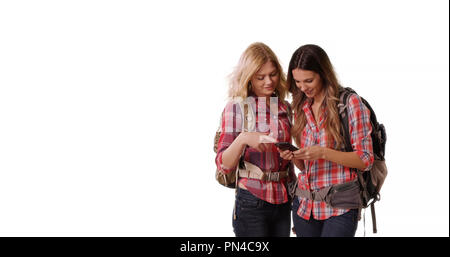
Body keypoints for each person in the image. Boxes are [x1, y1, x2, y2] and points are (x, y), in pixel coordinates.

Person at [278, 44, 374, 237]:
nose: (303, 87)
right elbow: (306, 168)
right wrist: (294, 156)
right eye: (297, 82)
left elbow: (366, 160)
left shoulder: (349, 103)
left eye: (308, 80)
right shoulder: (301, 106)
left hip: (340, 207)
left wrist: (323, 152)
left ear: (323, 73)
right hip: (305, 206)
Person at [215, 42, 296, 237]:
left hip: (283, 201)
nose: (269, 81)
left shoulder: (284, 107)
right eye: (261, 77)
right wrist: (243, 138)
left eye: (273, 74)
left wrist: (297, 204)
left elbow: (288, 165)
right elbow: (223, 165)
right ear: (249, 77)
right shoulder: (236, 108)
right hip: (252, 202)